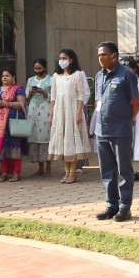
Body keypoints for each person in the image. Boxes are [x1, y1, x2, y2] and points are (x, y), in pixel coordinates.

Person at [93, 44, 139, 220]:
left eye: (103, 54)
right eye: (98, 55)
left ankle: (124, 207)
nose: (100, 58)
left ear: (114, 56)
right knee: (107, 170)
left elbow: (135, 102)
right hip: (102, 130)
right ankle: (111, 205)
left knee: (124, 170)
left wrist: (127, 120)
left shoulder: (126, 74)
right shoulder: (99, 76)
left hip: (120, 129)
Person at [49, 49, 92, 184]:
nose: (62, 60)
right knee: (62, 141)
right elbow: (53, 97)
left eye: (64, 58)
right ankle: (66, 172)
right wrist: (51, 114)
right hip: (60, 112)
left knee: (71, 141)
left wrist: (79, 113)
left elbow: (81, 95)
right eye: (60, 58)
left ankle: (73, 172)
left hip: (73, 111)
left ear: (71, 60)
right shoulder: (56, 76)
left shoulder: (77, 75)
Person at [0, 68, 27, 182]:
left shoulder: (18, 89)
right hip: (1, 124)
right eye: (3, 76)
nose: (5, 77)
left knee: (15, 146)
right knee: (2, 146)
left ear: (13, 77)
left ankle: (16, 173)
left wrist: (7, 103)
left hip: (14, 122)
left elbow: (21, 104)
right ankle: (4, 172)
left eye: (7, 75)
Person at [26, 58, 54, 176]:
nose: (37, 70)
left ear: (45, 68)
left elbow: (54, 96)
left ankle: (48, 165)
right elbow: (26, 97)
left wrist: (43, 92)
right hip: (33, 110)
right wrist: (31, 93)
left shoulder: (51, 79)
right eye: (35, 68)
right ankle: (40, 166)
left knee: (45, 137)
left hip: (45, 110)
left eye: (40, 68)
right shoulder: (30, 80)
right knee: (35, 137)